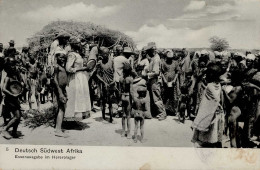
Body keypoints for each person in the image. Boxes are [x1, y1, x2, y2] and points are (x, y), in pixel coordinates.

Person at [191, 62, 225, 148]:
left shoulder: (210, 85)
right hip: (215, 111)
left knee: (205, 131)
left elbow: (215, 98)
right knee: (213, 130)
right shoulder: (219, 85)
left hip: (208, 110)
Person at [65, 37, 91, 120]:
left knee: (80, 97)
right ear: (74, 45)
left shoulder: (78, 54)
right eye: (79, 43)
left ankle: (76, 119)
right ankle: (70, 118)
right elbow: (68, 68)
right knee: (75, 97)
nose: (80, 45)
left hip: (81, 77)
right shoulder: (71, 54)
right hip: (75, 78)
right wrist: (82, 69)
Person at [1, 57, 23, 139]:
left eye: (14, 65)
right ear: (7, 67)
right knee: (17, 116)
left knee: (18, 116)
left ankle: (14, 132)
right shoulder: (7, 77)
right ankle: (5, 129)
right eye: (12, 65)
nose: (14, 67)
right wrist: (12, 95)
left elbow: (17, 86)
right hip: (10, 99)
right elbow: (3, 89)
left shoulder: (14, 76)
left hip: (14, 99)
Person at [146, 42, 166, 120]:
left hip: (155, 81)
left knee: (156, 98)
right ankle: (157, 112)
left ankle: (162, 113)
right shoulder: (154, 58)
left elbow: (156, 72)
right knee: (154, 97)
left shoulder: (156, 59)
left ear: (152, 50)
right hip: (152, 81)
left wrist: (147, 75)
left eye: (149, 50)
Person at [96, 47, 116, 123]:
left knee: (111, 101)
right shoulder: (99, 62)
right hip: (104, 84)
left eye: (107, 53)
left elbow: (114, 71)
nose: (105, 55)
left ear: (109, 54)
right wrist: (103, 82)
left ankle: (111, 118)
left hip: (111, 84)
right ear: (101, 54)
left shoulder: (112, 61)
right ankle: (103, 117)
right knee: (103, 101)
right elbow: (97, 74)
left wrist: (114, 80)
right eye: (104, 53)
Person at [53, 50, 69, 137]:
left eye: (64, 57)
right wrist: (60, 92)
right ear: (56, 57)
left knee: (62, 108)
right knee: (61, 108)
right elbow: (55, 80)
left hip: (63, 89)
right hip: (59, 89)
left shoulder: (62, 66)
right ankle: (58, 130)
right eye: (60, 57)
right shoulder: (56, 67)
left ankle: (58, 127)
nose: (62, 59)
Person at [161, 49, 181, 115]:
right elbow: (162, 72)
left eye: (171, 58)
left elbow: (177, 72)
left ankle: (173, 110)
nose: (170, 59)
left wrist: (174, 79)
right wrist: (164, 80)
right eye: (168, 58)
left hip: (173, 82)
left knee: (173, 96)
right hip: (166, 81)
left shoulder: (175, 63)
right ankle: (164, 111)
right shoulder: (164, 63)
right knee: (165, 95)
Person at [119, 59, 133, 139]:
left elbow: (119, 90)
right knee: (128, 116)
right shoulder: (130, 79)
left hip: (122, 96)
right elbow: (131, 91)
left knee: (123, 115)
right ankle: (128, 133)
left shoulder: (121, 79)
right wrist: (134, 100)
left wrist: (119, 100)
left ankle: (123, 131)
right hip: (128, 96)